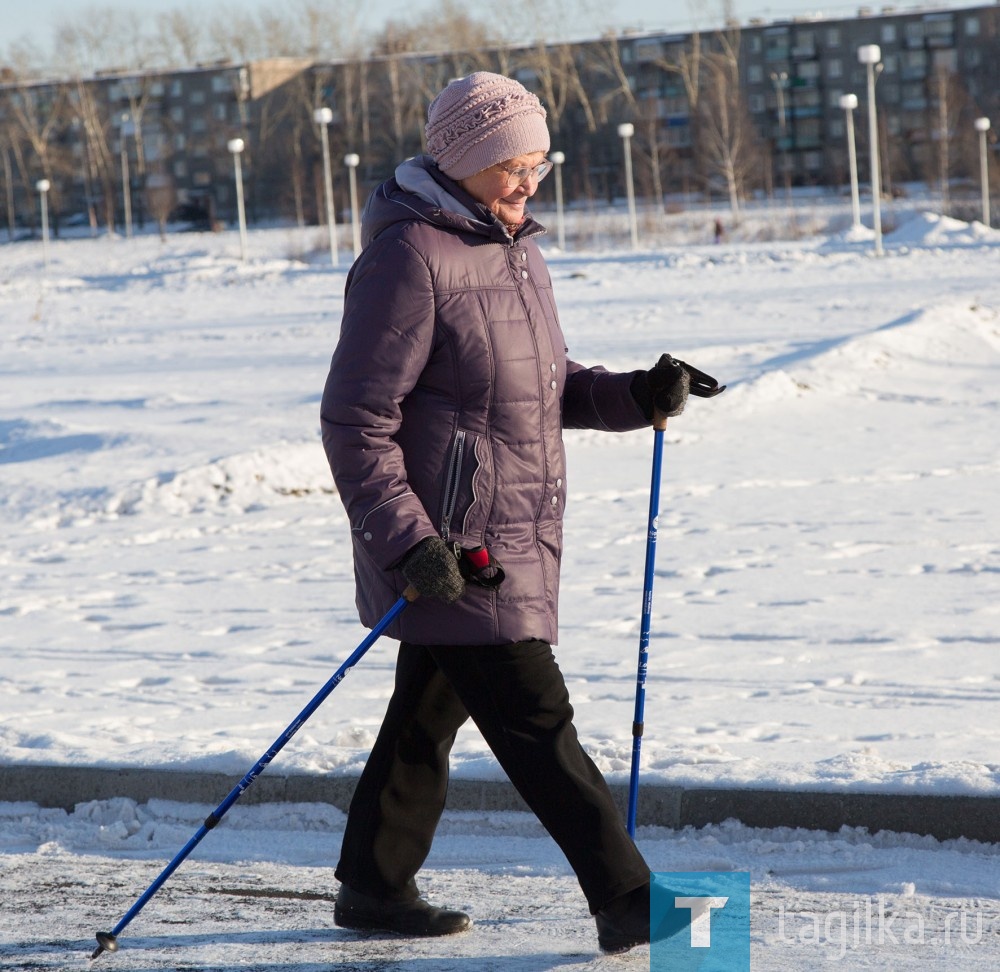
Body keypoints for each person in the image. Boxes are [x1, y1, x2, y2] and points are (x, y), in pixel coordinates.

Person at [320, 72, 717, 955]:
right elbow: (356, 419)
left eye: (539, 161)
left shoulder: (512, 248)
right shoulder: (409, 257)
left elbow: (545, 388)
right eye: (512, 164)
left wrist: (636, 395)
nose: (530, 180)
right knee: (539, 721)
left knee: (426, 711)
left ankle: (374, 885)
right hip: (457, 549)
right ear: (462, 160)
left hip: (513, 528)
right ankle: (630, 901)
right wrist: (408, 540)